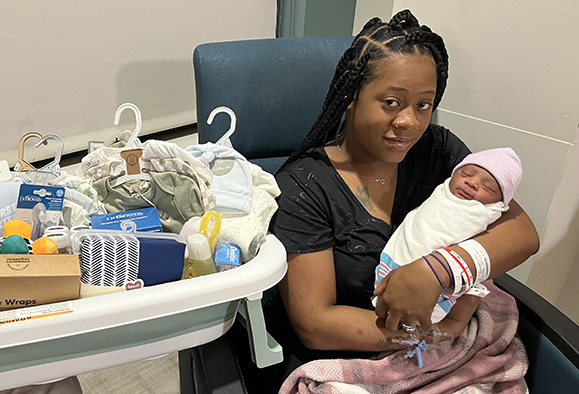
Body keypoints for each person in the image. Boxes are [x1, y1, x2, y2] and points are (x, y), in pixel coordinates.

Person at [231, 9, 539, 392]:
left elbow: (522, 232)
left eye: (423, 105)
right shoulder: (305, 185)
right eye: (391, 102)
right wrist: (434, 335)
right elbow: (315, 325)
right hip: (354, 355)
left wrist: (437, 270)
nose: (409, 122)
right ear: (351, 97)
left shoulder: (437, 151)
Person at [374, 147, 523, 324]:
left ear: (500, 203)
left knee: (469, 296)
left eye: (487, 187)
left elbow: (525, 238)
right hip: (404, 264)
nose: (472, 183)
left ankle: (450, 326)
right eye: (466, 174)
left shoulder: (485, 213)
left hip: (448, 278)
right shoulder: (442, 191)